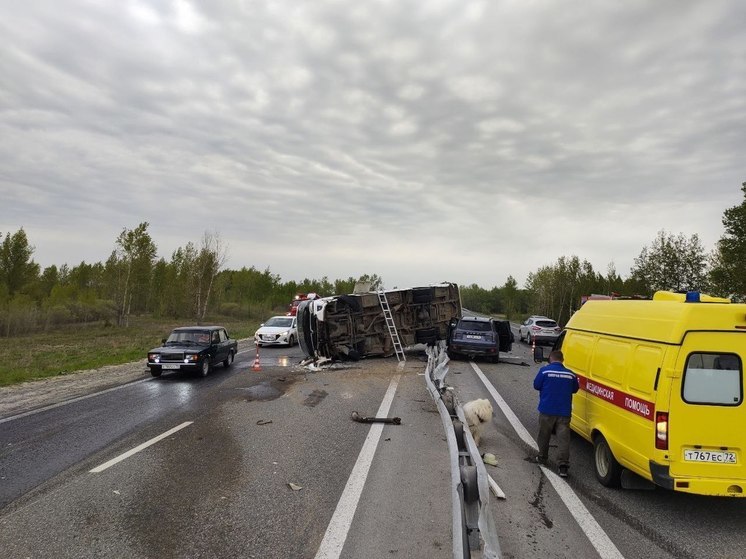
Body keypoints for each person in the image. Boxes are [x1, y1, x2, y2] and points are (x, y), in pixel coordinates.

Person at [533, 349, 579, 478]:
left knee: (544, 435)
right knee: (563, 439)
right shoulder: (570, 374)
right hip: (564, 412)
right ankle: (563, 466)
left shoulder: (544, 371)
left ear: (551, 359)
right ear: (562, 360)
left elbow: (536, 385)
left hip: (547, 409)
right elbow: (575, 389)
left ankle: (542, 457)